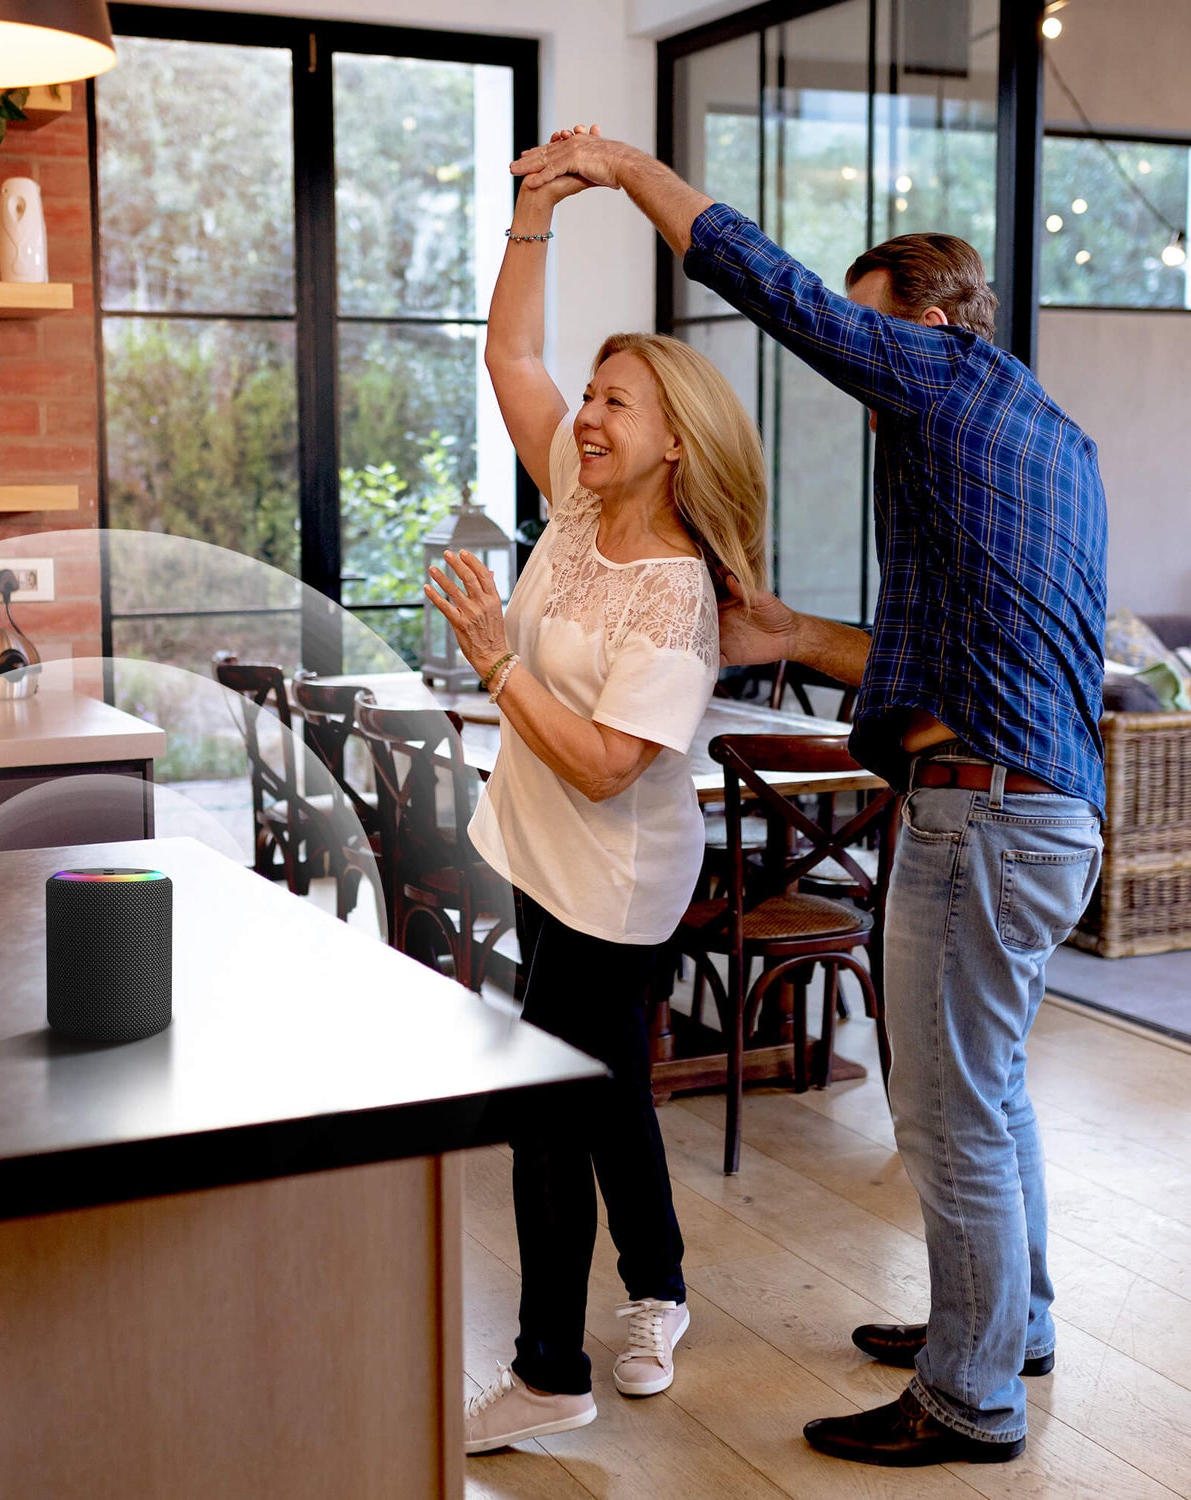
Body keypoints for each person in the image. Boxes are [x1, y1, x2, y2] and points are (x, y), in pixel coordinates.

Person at [513, 126, 1107, 1468]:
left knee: (945, 1111)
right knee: (991, 1092)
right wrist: (786, 637)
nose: (859, 360)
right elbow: (961, 661)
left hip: (985, 814)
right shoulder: (1038, 438)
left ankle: (969, 1400)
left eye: (872, 333)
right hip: (1037, 803)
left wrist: (623, 169)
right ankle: (1007, 1328)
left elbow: (761, 282)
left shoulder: (948, 384)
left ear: (935, 324)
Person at [423, 137, 768, 1457]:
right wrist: (531, 219)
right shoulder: (575, 507)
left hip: (616, 888)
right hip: (541, 854)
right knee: (609, 1086)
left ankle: (549, 1365)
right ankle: (663, 1288)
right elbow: (515, 362)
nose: (589, 415)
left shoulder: (674, 595)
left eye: (617, 403)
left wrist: (499, 666)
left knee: (553, 1106)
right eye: (595, 398)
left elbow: (609, 766)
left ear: (674, 442)